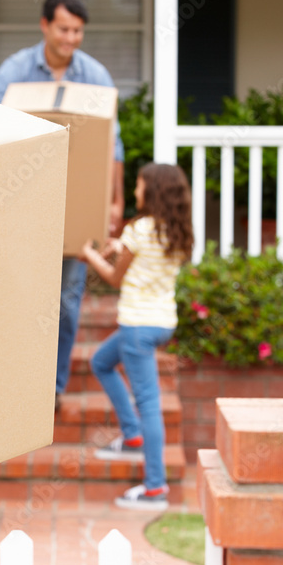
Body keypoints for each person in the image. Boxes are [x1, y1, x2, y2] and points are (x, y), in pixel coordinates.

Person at [0, 0, 125, 407]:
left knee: (66, 301)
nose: (71, 38)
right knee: (20, 294)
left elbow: (112, 146)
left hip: (76, 206)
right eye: (64, 28)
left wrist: (114, 204)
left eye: (78, 31)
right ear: (45, 25)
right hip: (25, 205)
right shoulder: (14, 73)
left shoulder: (95, 76)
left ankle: (52, 388)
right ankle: (16, 381)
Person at [80, 163, 193, 510]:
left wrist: (88, 254)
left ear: (153, 191)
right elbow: (143, 259)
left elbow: (115, 278)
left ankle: (155, 487)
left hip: (137, 328)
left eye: (139, 186)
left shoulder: (139, 229)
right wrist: (120, 244)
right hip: (161, 323)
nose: (134, 192)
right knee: (101, 362)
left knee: (149, 405)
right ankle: (132, 435)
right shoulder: (176, 230)